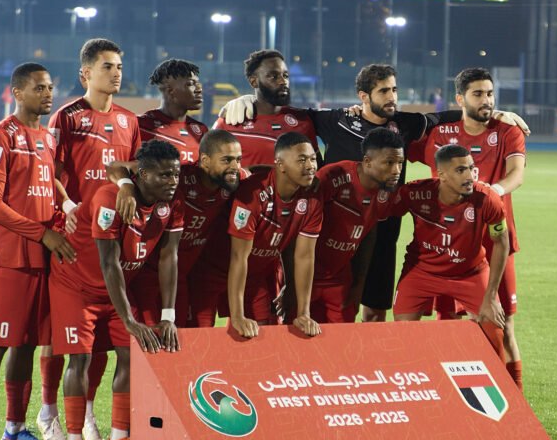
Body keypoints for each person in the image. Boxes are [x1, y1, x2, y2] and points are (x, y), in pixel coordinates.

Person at [219, 62, 529, 324]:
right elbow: (288, 112)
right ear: (364, 96)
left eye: (394, 90)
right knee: (309, 311)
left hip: (381, 229)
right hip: (329, 234)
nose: (392, 97)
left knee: (373, 309)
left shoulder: (406, 124)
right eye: (384, 91)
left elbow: (453, 115)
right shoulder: (336, 120)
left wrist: (496, 113)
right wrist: (247, 99)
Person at [49, 140, 183, 440]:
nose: (172, 182)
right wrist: (129, 321)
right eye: (165, 175)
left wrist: (168, 315)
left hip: (117, 290)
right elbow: (108, 262)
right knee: (80, 359)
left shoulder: (171, 204)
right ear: (143, 174)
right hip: (76, 286)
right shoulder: (109, 199)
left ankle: (119, 437)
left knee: (133, 354)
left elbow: (169, 257)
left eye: (176, 175)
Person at [0, 63, 77, 440]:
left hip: (40, 261)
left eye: (50, 87)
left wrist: (65, 203)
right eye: (39, 88)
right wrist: (42, 233)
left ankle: (15, 429)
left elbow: (46, 181)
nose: (48, 94)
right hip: (7, 259)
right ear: (17, 92)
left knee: (27, 344)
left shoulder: (46, 137)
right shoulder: (0, 137)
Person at [37, 38, 141, 440]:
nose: (116, 73)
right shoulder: (66, 117)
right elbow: (49, 170)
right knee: (57, 335)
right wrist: (67, 204)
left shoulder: (129, 121)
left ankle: (88, 412)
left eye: (119, 67)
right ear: (86, 74)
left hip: (109, 239)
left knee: (98, 338)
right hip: (70, 237)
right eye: (107, 66)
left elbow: (131, 172)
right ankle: (48, 411)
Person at [408, 66, 526, 388]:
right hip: (450, 245)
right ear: (460, 99)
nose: (486, 100)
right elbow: (397, 136)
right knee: (448, 323)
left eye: (490, 94)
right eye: (478, 94)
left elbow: (516, 175)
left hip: (496, 240)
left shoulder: (507, 131)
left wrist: (491, 192)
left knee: (503, 323)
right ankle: (451, 398)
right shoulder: (440, 135)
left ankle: (516, 399)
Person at [107, 129, 246, 326]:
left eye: (238, 160)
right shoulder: (177, 175)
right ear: (205, 161)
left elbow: (260, 174)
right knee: (149, 337)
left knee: (183, 336)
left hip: (183, 274)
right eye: (227, 160)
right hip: (148, 272)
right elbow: (115, 166)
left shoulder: (232, 179)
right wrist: (126, 186)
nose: (235, 167)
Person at [191, 132, 323, 338]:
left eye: (313, 159)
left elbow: (305, 256)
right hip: (212, 271)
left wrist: (304, 313)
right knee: (199, 336)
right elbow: (238, 257)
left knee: (264, 335)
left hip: (255, 275)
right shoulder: (252, 193)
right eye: (302, 160)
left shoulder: (313, 198)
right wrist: (237, 316)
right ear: (280, 164)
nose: (310, 166)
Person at [391, 144, 508, 335]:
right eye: (461, 170)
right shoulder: (415, 193)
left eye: (471, 168)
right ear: (442, 175)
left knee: (494, 330)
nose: (470, 176)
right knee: (402, 332)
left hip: (470, 274)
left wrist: (491, 295)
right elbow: (382, 211)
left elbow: (501, 243)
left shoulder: (487, 199)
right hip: (421, 272)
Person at [311, 128, 405, 323]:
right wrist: (289, 282)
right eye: (389, 163)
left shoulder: (387, 193)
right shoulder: (332, 177)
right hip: (307, 275)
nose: (397, 170)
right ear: (367, 161)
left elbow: (368, 232)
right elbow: (298, 228)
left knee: (342, 338)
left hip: (340, 279)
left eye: (400, 163)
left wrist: (359, 284)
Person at [213, 49, 318, 166]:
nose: (283, 81)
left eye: (285, 75)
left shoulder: (303, 121)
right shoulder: (229, 122)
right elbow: (210, 168)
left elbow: (316, 169)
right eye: (273, 76)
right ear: (254, 82)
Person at [139, 59, 208, 163]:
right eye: (190, 84)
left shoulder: (201, 130)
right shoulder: (141, 126)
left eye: (198, 83)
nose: (199, 89)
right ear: (170, 90)